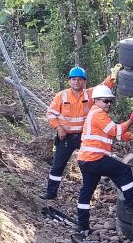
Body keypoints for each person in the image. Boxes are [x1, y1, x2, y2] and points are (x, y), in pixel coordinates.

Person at [41, 65, 121, 200]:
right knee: (58, 166)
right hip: (65, 137)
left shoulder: (90, 94)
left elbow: (104, 86)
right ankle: (50, 193)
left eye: (79, 79)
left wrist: (113, 75)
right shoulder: (61, 96)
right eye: (73, 79)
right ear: (69, 81)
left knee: (93, 162)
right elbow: (50, 114)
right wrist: (59, 128)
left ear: (84, 82)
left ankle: (91, 192)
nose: (76, 82)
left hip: (84, 138)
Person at [74, 84, 133, 238]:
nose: (108, 104)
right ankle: (131, 206)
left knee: (86, 192)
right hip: (95, 158)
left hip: (86, 160)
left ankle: (82, 226)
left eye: (110, 101)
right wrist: (131, 120)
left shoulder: (96, 114)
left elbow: (119, 135)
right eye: (106, 101)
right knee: (124, 171)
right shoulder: (98, 113)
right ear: (96, 101)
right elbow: (116, 130)